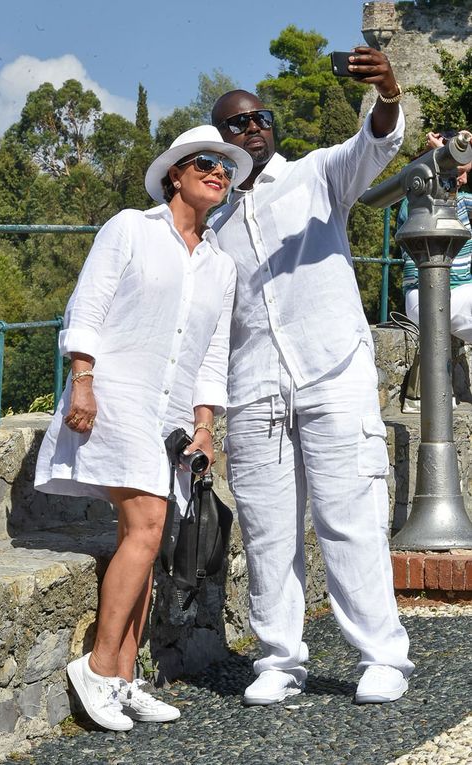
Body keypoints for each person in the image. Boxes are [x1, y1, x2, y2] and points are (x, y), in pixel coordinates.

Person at [209, 46, 415, 707]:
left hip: (333, 370)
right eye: (237, 124)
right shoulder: (210, 225)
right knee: (268, 529)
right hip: (254, 387)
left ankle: (382, 654)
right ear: (220, 142)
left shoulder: (317, 175)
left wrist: (387, 91)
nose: (253, 127)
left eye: (260, 117)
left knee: (348, 516)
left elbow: (375, 143)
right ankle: (278, 660)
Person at [34, 125, 252, 731]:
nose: (219, 173)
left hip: (174, 415)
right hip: (118, 397)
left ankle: (126, 679)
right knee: (149, 524)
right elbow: (90, 305)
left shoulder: (220, 265)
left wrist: (205, 425)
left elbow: (211, 354)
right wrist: (82, 380)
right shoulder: (130, 227)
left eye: (227, 168)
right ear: (175, 174)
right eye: (206, 162)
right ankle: (100, 669)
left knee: (149, 537)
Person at [400, 130, 472, 340]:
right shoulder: (417, 201)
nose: (464, 179)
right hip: (423, 296)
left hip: (463, 295)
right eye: (460, 171)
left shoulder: (462, 202)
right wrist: (441, 154)